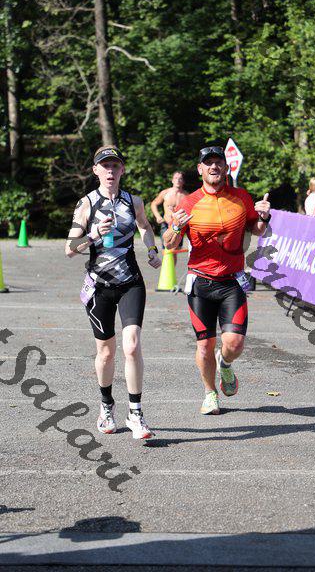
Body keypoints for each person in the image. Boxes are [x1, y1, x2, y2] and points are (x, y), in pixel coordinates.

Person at [163, 146, 271, 415]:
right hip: (200, 282)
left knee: (234, 343)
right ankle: (210, 393)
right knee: (204, 345)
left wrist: (264, 217)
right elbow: (169, 243)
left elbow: (257, 229)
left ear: (226, 167)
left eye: (218, 162)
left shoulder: (241, 197)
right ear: (200, 169)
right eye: (208, 163)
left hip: (231, 281)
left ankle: (226, 364)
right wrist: (175, 227)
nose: (213, 167)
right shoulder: (189, 203)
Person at [65, 145, 161, 440]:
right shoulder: (86, 204)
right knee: (106, 352)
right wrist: (93, 234)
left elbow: (145, 226)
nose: (110, 170)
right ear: (95, 170)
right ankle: (106, 406)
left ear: (122, 170)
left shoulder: (134, 201)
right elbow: (70, 248)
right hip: (99, 287)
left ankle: (136, 413)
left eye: (115, 166)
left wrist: (152, 249)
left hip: (130, 282)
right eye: (105, 166)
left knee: (131, 345)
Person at [151, 171, 188, 258]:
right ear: (172, 180)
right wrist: (158, 216)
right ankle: (165, 267)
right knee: (167, 249)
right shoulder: (165, 193)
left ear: (183, 181)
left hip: (178, 225)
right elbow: (154, 204)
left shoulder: (186, 196)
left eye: (180, 178)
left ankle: (172, 267)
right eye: (176, 178)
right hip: (166, 224)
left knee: (175, 250)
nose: (178, 180)